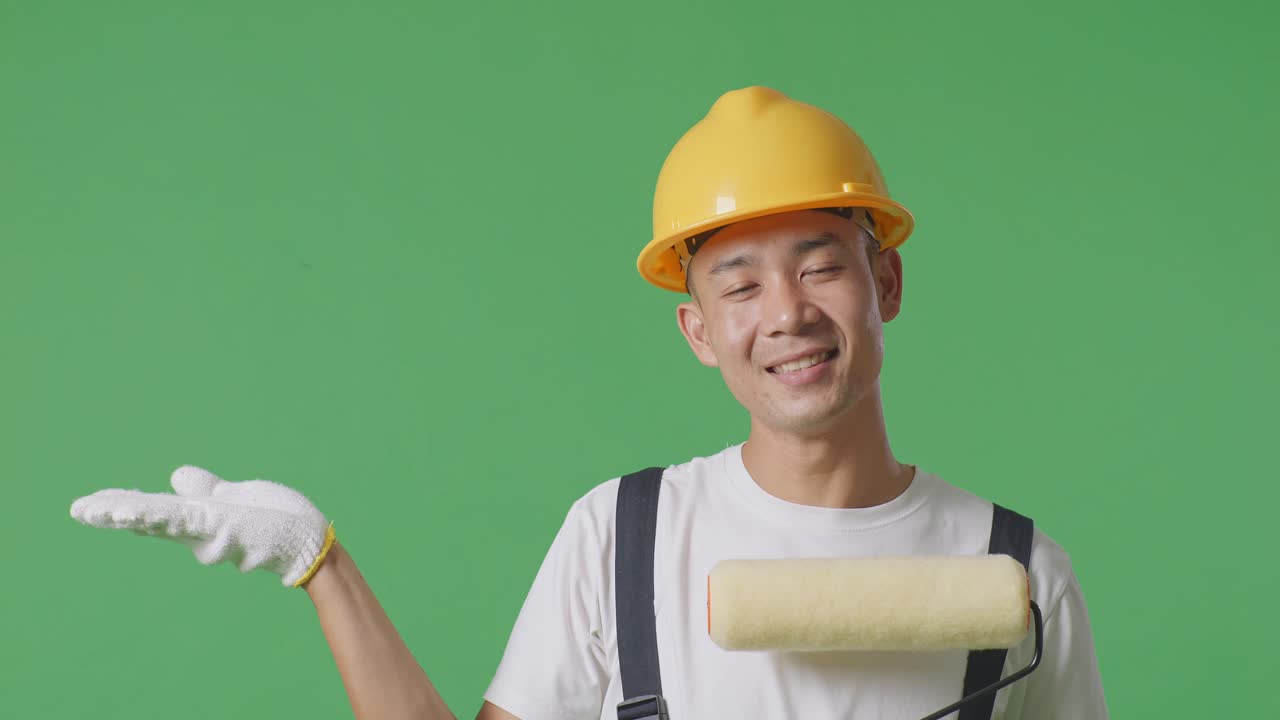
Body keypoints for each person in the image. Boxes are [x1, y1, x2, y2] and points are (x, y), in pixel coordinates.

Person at [69, 86, 1107, 720]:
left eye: (818, 266)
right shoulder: (622, 538)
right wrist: (320, 564)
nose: (784, 313)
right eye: (738, 285)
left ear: (882, 285)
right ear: (698, 331)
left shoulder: (1014, 571)